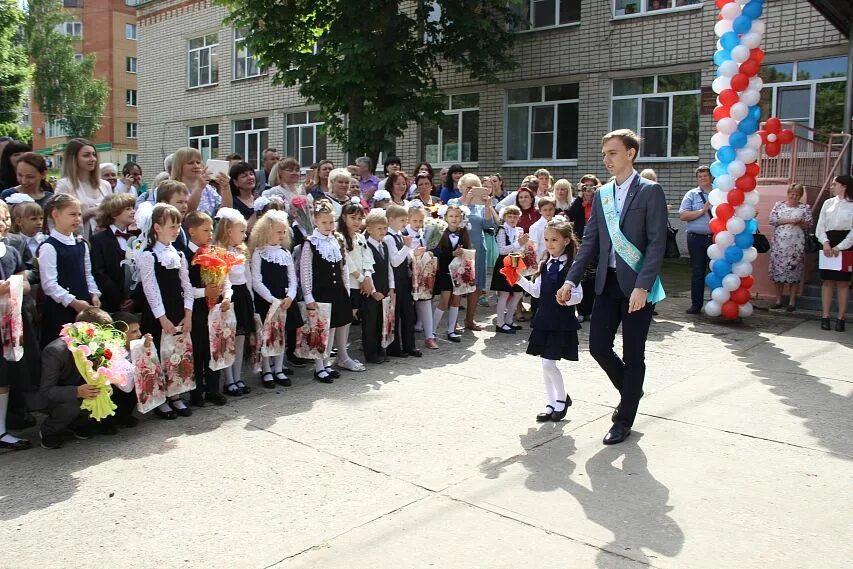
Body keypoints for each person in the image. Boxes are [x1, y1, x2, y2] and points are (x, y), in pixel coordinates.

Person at [557, 129, 668, 445]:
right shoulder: (603, 195)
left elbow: (657, 242)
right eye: (604, 153)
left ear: (630, 153)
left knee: (634, 355)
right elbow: (590, 242)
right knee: (597, 347)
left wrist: (643, 286)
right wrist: (570, 280)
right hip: (607, 286)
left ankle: (624, 418)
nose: (607, 159)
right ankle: (632, 390)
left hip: (636, 289)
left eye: (613, 153)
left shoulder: (650, 192)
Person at [37, 308, 137, 449]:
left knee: (102, 393)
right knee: (73, 404)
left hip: (82, 388)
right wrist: (77, 391)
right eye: (101, 334)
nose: (105, 339)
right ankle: (49, 431)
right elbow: (46, 390)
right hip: (52, 396)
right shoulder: (56, 351)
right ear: (86, 331)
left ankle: (77, 424)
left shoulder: (98, 347)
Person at [517, 219, 583, 422]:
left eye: (554, 239)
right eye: (546, 240)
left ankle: (561, 400)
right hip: (544, 319)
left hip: (561, 321)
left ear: (565, 240)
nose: (549, 244)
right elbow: (536, 292)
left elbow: (579, 295)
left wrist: (567, 298)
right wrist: (517, 278)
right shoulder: (545, 264)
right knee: (545, 364)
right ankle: (551, 402)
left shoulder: (573, 266)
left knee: (548, 364)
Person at [137, 203, 195, 419]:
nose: (176, 229)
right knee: (159, 355)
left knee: (176, 354)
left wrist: (188, 313)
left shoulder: (178, 253)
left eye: (178, 225)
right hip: (158, 314)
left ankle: (176, 395)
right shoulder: (148, 256)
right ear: (157, 227)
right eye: (171, 225)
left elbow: (186, 285)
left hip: (178, 309)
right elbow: (151, 289)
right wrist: (162, 318)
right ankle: (160, 398)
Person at [300, 200, 357, 382]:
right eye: (324, 222)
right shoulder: (310, 243)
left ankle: (326, 363)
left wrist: (346, 289)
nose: (328, 226)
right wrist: (308, 295)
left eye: (331, 222)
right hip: (320, 292)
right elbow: (305, 271)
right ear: (316, 221)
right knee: (321, 330)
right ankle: (318, 367)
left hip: (336, 291)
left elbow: (343, 267)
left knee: (332, 328)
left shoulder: (337, 239)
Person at [38, 194, 102, 346]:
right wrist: (72, 302)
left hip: (83, 306)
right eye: (72, 214)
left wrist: (94, 294)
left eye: (79, 214)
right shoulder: (49, 247)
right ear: (56, 215)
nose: (78, 219)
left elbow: (88, 274)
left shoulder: (82, 244)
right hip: (60, 310)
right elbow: (49, 285)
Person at [250, 210, 304, 388]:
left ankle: (279, 368)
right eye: (278, 232)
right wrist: (270, 298)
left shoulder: (285, 253)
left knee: (281, 335)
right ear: (266, 231)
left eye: (284, 232)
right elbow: (256, 280)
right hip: (267, 301)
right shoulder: (258, 253)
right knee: (267, 336)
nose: (282, 235)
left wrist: (290, 296)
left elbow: (292, 279)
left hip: (284, 300)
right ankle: (267, 370)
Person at [183, 210, 230, 406]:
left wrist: (226, 296)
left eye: (211, 230)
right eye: (205, 230)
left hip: (215, 308)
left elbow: (225, 279)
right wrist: (204, 292)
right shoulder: (185, 254)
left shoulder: (214, 252)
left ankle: (213, 389)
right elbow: (183, 288)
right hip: (196, 308)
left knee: (213, 347)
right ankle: (196, 392)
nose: (210, 234)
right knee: (198, 349)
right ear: (192, 231)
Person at [0, 202, 33, 450]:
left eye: (5, 218)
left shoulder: (11, 250)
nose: (3, 223)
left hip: (9, 320)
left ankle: (1, 429)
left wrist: (14, 284)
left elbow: (25, 282)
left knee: (5, 375)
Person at [213, 208, 256, 394]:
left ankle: (237, 377)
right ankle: (228, 379)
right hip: (228, 297)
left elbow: (248, 277)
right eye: (241, 231)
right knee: (227, 338)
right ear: (229, 231)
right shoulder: (218, 252)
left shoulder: (242, 251)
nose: (244, 235)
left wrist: (252, 300)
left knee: (239, 339)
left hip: (242, 294)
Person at [455, 173, 498, 330]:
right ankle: (454, 320)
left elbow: (488, 226)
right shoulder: (455, 203)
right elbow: (456, 222)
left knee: (477, 286)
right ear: (461, 188)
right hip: (462, 250)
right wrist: (466, 202)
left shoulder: (481, 207)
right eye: (468, 188)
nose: (472, 191)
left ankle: (470, 319)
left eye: (475, 188)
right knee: (459, 285)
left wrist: (487, 206)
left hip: (479, 250)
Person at [816, 174, 852, 331]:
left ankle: (841, 318)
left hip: (845, 245)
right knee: (827, 282)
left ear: (844, 187)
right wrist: (825, 242)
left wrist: (840, 247)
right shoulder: (827, 203)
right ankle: (825, 316)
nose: (832, 186)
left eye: (835, 184)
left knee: (843, 283)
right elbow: (820, 226)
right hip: (827, 244)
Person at [768, 183, 813, 311]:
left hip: (796, 246)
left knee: (795, 273)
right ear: (788, 194)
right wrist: (789, 221)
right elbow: (772, 220)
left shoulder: (805, 208)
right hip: (779, 245)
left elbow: (809, 224)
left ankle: (792, 302)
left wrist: (800, 222)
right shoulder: (779, 205)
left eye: (797, 195)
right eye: (792, 194)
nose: (794, 197)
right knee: (778, 273)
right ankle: (778, 300)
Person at [55, 139, 112, 238]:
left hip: (104, 243)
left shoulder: (105, 185)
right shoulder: (65, 185)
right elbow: (60, 221)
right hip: (78, 243)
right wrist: (90, 213)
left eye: (94, 155)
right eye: (86, 155)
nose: (92, 159)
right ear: (74, 159)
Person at [432, 203, 472, 342]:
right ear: (445, 217)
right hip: (444, 271)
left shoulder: (463, 232)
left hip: (458, 271)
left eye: (457, 216)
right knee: (444, 301)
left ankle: (451, 330)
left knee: (456, 301)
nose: (454, 219)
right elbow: (436, 251)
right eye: (451, 216)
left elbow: (468, 249)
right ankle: (432, 330)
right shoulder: (440, 232)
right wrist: (451, 253)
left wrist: (463, 253)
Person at [384, 204, 421, 358]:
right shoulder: (388, 237)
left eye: (406, 220)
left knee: (408, 314)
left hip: (404, 280)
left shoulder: (400, 234)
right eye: (402, 220)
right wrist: (407, 248)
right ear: (391, 220)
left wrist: (414, 253)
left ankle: (409, 345)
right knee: (396, 314)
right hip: (395, 281)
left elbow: (405, 256)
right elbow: (394, 260)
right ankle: (394, 348)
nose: (405, 223)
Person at [90, 193, 136, 313]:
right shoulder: (99, 240)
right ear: (114, 213)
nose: (133, 211)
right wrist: (118, 299)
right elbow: (99, 273)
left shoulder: (135, 238)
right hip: (110, 302)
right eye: (128, 209)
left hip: (133, 303)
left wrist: (134, 298)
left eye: (133, 208)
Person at [679, 166, 714, 314]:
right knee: (698, 272)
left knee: (715, 271)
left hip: (715, 239)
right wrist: (702, 211)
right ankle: (696, 305)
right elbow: (683, 216)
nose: (703, 179)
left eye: (705, 176)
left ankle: (716, 304)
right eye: (700, 177)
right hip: (696, 239)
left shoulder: (719, 193)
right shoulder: (691, 195)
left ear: (711, 177)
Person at [362, 210, 394, 364]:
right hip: (371, 292)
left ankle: (381, 350)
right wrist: (373, 291)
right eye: (379, 228)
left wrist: (391, 288)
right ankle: (371, 353)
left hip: (384, 290)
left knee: (382, 321)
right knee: (370, 323)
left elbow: (389, 268)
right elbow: (366, 270)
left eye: (384, 228)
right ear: (369, 229)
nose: (383, 231)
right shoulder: (366, 246)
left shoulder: (385, 245)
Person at [405, 202, 438, 349]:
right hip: (407, 274)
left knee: (425, 303)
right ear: (408, 219)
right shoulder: (404, 234)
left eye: (420, 221)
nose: (418, 224)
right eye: (415, 221)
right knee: (407, 307)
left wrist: (428, 254)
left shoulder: (421, 234)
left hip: (421, 274)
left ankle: (429, 336)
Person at [492, 205, 528, 334]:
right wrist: (518, 244)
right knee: (504, 293)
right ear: (505, 217)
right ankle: (500, 323)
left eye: (515, 216)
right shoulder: (502, 230)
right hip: (504, 263)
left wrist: (524, 247)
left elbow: (521, 248)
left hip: (516, 263)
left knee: (518, 293)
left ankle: (508, 320)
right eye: (509, 216)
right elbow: (502, 249)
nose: (512, 219)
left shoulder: (519, 230)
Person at [171, 146, 231, 217]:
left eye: (198, 162)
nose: (196, 166)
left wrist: (226, 188)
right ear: (179, 166)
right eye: (190, 163)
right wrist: (199, 188)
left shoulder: (208, 189)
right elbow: (185, 215)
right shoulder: (171, 188)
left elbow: (225, 213)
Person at [339, 201, 371, 324]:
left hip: (363, 286)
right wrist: (362, 279)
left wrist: (367, 277)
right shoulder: (340, 238)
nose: (356, 222)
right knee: (346, 319)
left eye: (359, 218)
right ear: (343, 217)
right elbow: (347, 261)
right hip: (350, 284)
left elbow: (367, 258)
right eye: (353, 218)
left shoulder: (361, 237)